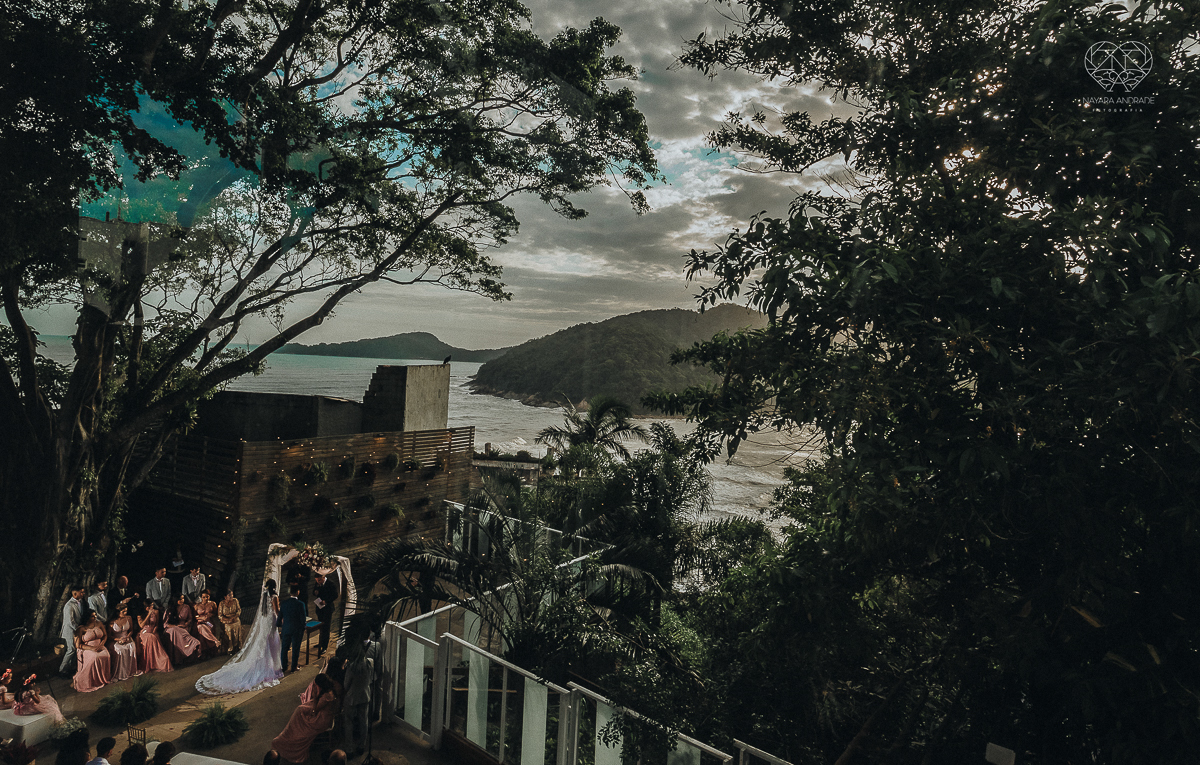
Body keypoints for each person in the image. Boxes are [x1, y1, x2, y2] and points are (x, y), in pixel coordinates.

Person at [196, 579, 285, 695]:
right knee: (272, 640)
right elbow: (277, 611)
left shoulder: (264, 595)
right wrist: (283, 620)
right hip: (271, 620)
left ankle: (268, 663)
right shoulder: (274, 597)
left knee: (265, 640)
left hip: (265, 620)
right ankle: (272, 666)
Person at [270, 674, 338, 764]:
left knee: (300, 716)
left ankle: (289, 738)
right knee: (300, 710)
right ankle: (289, 732)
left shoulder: (327, 696)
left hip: (321, 720)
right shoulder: (329, 690)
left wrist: (315, 696)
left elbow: (315, 710)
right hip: (321, 714)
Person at [341, 650, 373, 756]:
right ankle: (362, 745)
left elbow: (346, 685)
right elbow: (371, 679)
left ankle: (349, 749)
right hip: (365, 695)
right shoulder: (369, 663)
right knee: (364, 721)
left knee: (348, 722)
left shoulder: (351, 667)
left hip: (352, 697)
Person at [74, 611, 112, 692]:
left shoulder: (99, 624)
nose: (95, 618)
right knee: (95, 657)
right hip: (87, 648)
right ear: (87, 618)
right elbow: (78, 645)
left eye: (95, 616)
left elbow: (105, 635)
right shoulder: (82, 628)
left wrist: (101, 645)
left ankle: (103, 678)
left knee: (106, 655)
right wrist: (91, 648)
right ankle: (91, 681)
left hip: (99, 645)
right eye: (92, 616)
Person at [163, 593, 200, 664]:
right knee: (174, 631)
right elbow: (165, 624)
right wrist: (176, 626)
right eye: (180, 599)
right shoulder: (170, 609)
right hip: (172, 628)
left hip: (183, 627)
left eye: (183, 598)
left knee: (179, 632)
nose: (182, 600)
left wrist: (186, 624)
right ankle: (177, 659)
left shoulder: (186, 607)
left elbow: (190, 619)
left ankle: (192, 646)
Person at [277, 585, 306, 673]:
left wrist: (280, 625)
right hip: (296, 629)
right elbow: (303, 619)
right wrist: (303, 628)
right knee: (295, 648)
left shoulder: (284, 603)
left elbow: (280, 616)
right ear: (298, 592)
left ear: (289, 593)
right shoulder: (301, 604)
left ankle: (284, 666)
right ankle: (293, 667)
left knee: (284, 648)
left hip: (286, 628)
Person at [137, 602, 173, 673]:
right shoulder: (140, 616)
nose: (152, 607)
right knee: (150, 637)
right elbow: (141, 625)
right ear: (146, 608)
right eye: (150, 606)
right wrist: (148, 615)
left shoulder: (156, 612)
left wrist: (154, 630)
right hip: (144, 633)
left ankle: (158, 662)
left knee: (153, 637)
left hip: (152, 632)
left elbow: (156, 624)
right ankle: (148, 665)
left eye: (152, 606)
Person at [108, 603, 140, 681]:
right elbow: (109, 636)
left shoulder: (128, 618)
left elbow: (131, 630)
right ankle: (121, 673)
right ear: (118, 612)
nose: (125, 613)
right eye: (123, 611)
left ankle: (130, 671)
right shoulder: (112, 622)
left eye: (126, 611)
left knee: (131, 646)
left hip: (127, 638)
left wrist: (128, 637)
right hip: (116, 640)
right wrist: (119, 640)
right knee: (120, 650)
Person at [59, 584, 85, 674]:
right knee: (71, 649)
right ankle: (61, 669)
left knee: (74, 650)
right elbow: (70, 621)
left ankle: (69, 668)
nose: (83, 594)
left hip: (76, 630)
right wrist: (79, 629)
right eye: (81, 592)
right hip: (69, 631)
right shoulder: (69, 605)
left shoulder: (81, 602)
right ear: (74, 594)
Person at [312, 572, 339, 658]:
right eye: (317, 580)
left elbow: (335, 595)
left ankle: (325, 646)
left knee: (326, 627)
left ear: (323, 577)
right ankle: (320, 642)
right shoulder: (317, 584)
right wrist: (315, 592)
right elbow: (314, 592)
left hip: (327, 608)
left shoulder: (330, 584)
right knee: (321, 626)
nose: (318, 582)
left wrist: (326, 601)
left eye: (319, 580)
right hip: (319, 608)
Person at [193, 589, 221, 656]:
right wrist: (201, 618)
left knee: (203, 628)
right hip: (200, 622)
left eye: (207, 597)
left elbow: (215, 614)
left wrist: (210, 615)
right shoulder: (197, 605)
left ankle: (213, 644)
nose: (205, 598)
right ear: (201, 597)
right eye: (204, 597)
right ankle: (215, 641)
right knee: (200, 627)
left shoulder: (213, 604)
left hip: (209, 623)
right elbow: (194, 617)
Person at [218, 589, 243, 655]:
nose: (231, 596)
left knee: (237, 625)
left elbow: (239, 610)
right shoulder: (221, 603)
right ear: (225, 597)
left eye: (232, 594)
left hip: (235, 619)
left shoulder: (235, 601)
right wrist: (227, 620)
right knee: (228, 628)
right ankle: (230, 648)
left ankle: (237, 647)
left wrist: (235, 617)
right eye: (229, 595)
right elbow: (220, 615)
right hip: (226, 621)